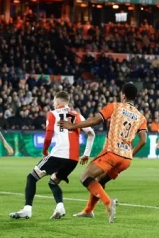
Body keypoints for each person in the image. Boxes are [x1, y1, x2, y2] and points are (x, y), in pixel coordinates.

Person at [59, 83, 147, 223]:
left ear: (123, 95)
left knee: (85, 177)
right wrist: (131, 153)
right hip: (126, 159)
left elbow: (95, 120)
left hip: (112, 151)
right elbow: (143, 140)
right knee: (100, 181)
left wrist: (73, 126)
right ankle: (88, 211)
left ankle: (108, 203)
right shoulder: (141, 117)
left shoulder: (115, 106)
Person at [10, 91, 95, 220]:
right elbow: (91, 133)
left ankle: (27, 209)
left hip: (58, 154)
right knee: (53, 182)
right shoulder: (78, 115)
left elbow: (48, 134)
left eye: (54, 101)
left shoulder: (53, 114)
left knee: (31, 178)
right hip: (73, 159)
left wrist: (45, 151)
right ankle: (60, 207)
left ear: (57, 102)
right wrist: (86, 154)